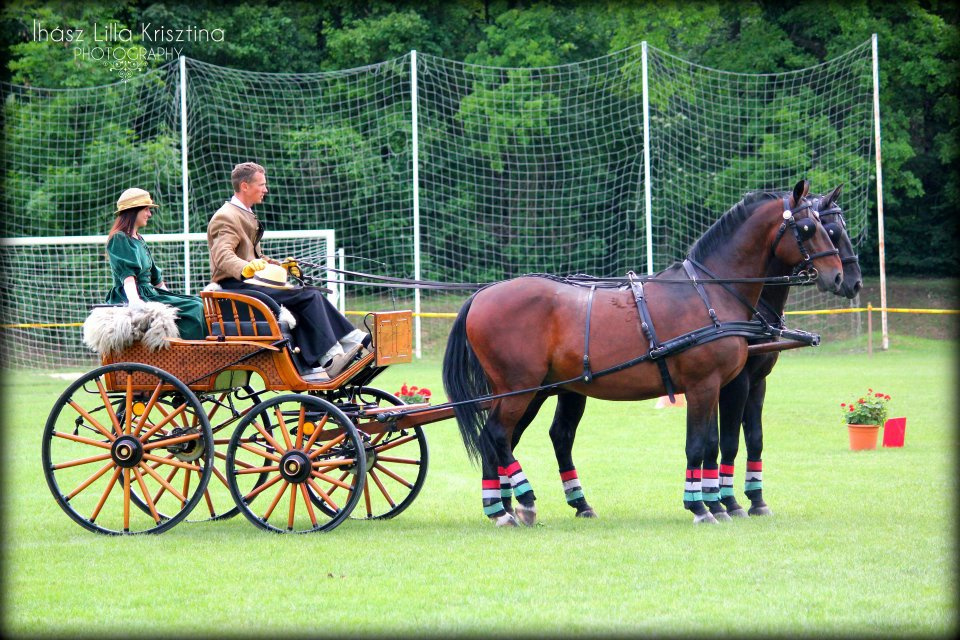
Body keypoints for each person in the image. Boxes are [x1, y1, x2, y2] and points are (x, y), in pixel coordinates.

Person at [206, 162, 367, 380]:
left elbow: (255, 257)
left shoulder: (244, 213)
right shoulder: (226, 216)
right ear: (244, 186)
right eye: (261, 185)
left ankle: (354, 341)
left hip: (250, 284)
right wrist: (245, 267)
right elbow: (223, 256)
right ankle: (332, 358)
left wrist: (279, 265)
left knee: (309, 292)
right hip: (236, 287)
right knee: (309, 296)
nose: (266, 189)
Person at [105, 188, 207, 340]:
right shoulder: (119, 238)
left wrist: (172, 297)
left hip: (150, 292)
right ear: (134, 211)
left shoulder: (139, 238)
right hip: (133, 294)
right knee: (194, 308)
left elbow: (155, 278)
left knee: (197, 301)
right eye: (146, 209)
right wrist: (134, 302)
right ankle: (188, 355)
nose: (149, 214)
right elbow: (128, 277)